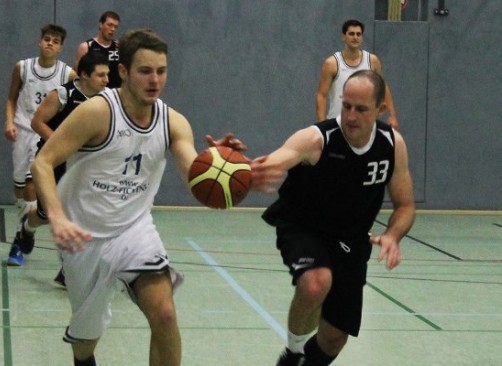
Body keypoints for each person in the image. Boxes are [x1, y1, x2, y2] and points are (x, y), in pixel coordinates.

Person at [31, 28, 246, 366]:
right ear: (124, 72)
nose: (155, 79)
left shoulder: (172, 122)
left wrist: (216, 169)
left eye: (161, 71)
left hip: (134, 229)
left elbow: (193, 176)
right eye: (145, 71)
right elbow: (43, 162)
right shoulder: (97, 112)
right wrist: (56, 216)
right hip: (83, 235)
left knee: (164, 314)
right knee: (85, 343)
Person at [253, 70, 415, 365]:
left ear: (380, 110)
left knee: (333, 338)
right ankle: (293, 353)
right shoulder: (318, 139)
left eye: (361, 109)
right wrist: (244, 167)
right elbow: (280, 157)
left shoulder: (392, 145)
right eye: (346, 105)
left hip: (351, 239)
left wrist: (392, 235)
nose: (351, 116)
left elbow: (405, 206)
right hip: (304, 226)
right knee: (316, 282)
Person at [6, 52, 110, 267]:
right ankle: (26, 230)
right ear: (84, 75)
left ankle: (69, 267)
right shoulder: (63, 94)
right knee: (45, 214)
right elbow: (37, 122)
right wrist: (63, 144)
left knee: (81, 212)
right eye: (101, 75)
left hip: (84, 165)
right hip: (53, 162)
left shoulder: (108, 98)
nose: (106, 80)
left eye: (107, 75)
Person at [4, 24, 76, 233]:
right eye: (47, 39)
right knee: (19, 187)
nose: (50, 43)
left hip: (44, 134)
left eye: (55, 41)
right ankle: (24, 220)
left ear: (61, 48)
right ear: (40, 41)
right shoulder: (22, 67)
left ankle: (25, 233)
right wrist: (9, 121)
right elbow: (11, 98)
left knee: (31, 183)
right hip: (22, 129)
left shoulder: (67, 74)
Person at [316, 19, 399, 129]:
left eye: (358, 34)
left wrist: (392, 116)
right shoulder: (331, 64)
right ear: (343, 36)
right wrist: (322, 125)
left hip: (365, 127)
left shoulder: (372, 61)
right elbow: (322, 95)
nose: (355, 37)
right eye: (351, 34)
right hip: (337, 126)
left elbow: (383, 87)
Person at [73, 11, 121, 88]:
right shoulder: (86, 47)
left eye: (116, 27)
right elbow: (77, 75)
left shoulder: (119, 47)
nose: (112, 29)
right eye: (110, 25)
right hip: (93, 94)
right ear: (101, 24)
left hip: (115, 93)